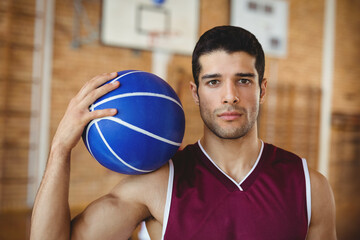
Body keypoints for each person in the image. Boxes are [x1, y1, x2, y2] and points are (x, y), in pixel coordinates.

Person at [30, 26, 336, 240]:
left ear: (262, 88)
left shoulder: (311, 188)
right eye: (214, 82)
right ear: (195, 91)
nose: (229, 95)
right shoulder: (157, 186)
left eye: (243, 80)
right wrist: (60, 149)